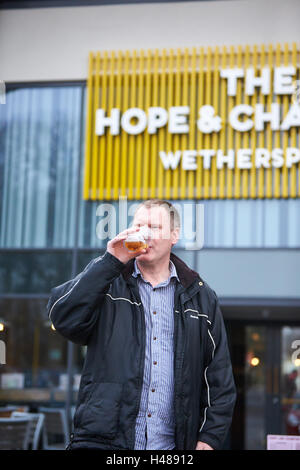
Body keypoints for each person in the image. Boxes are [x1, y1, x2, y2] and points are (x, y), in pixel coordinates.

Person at [47, 199, 236, 450]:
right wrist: (110, 261)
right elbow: (63, 318)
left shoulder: (201, 297)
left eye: (154, 227)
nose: (144, 233)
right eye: (138, 225)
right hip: (105, 442)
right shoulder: (107, 282)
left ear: (174, 235)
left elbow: (219, 379)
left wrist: (209, 438)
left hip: (172, 446)